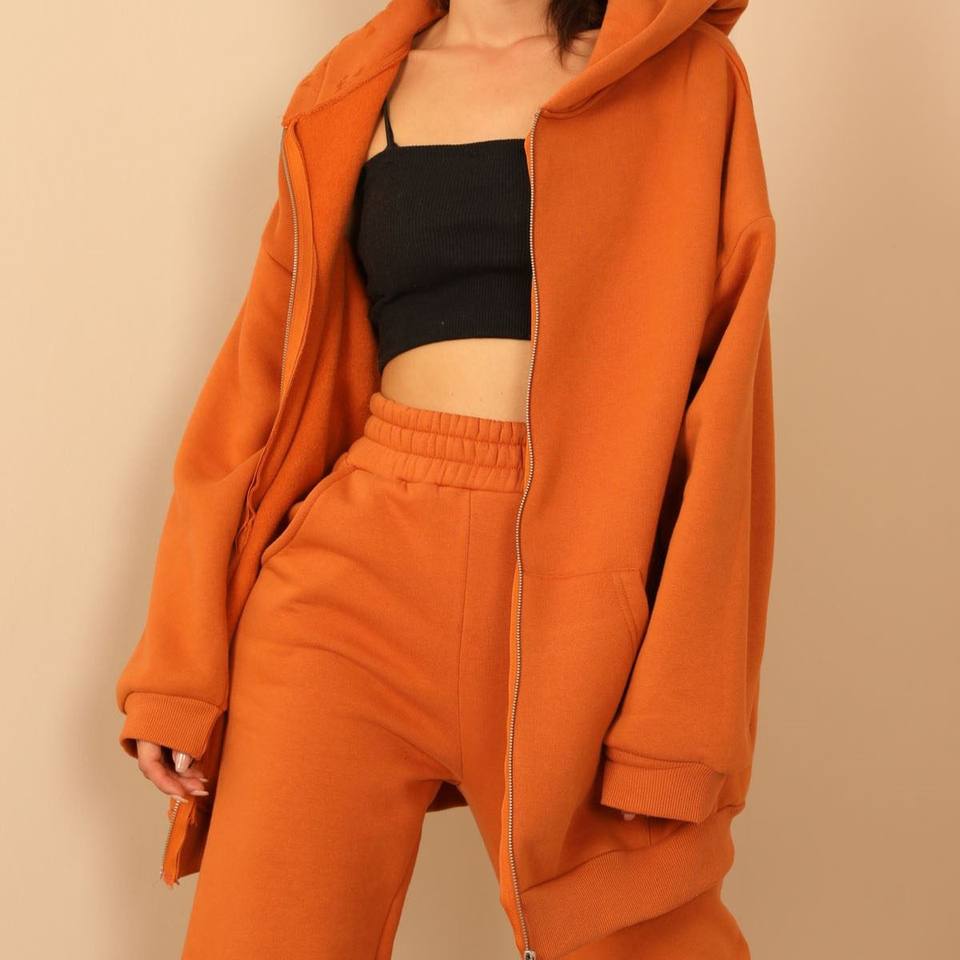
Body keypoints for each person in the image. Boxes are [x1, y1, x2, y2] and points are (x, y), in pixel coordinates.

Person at [114, 1, 777, 957]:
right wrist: (177, 670)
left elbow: (726, 412)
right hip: (351, 586)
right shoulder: (349, 94)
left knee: (648, 935)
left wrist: (679, 723)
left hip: (585, 592)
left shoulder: (680, 76)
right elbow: (255, 390)